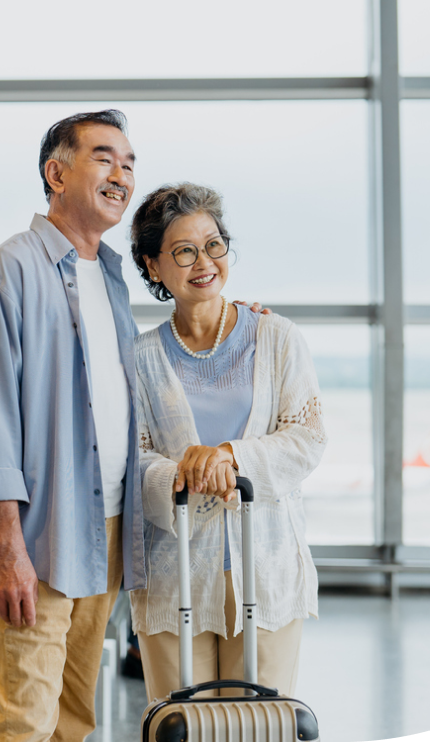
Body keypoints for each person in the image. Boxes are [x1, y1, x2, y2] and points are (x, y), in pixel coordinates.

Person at [0, 109, 146, 741]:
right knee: (25, 722)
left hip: (109, 529)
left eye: (128, 162)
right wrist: (7, 549)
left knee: (72, 718)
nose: (121, 174)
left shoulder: (112, 277)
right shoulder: (6, 272)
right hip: (39, 536)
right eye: (103, 157)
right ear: (55, 172)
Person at [128, 183, 326, 705]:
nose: (204, 262)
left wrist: (227, 457)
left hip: (267, 565)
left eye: (214, 245)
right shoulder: (140, 358)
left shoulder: (277, 337)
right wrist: (179, 474)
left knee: (258, 726)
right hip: (174, 574)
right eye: (184, 251)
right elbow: (132, 456)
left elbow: (307, 438)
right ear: (154, 266)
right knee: (178, 724)